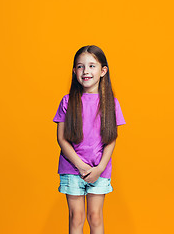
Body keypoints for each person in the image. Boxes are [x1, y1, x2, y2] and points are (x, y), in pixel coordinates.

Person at [53, 45, 126, 234]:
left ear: (103, 71)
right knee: (76, 217)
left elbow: (111, 139)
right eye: (80, 66)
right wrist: (80, 165)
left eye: (92, 66)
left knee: (95, 216)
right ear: (74, 71)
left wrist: (99, 168)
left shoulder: (111, 103)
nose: (86, 71)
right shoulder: (67, 101)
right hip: (72, 168)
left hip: (99, 169)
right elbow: (61, 138)